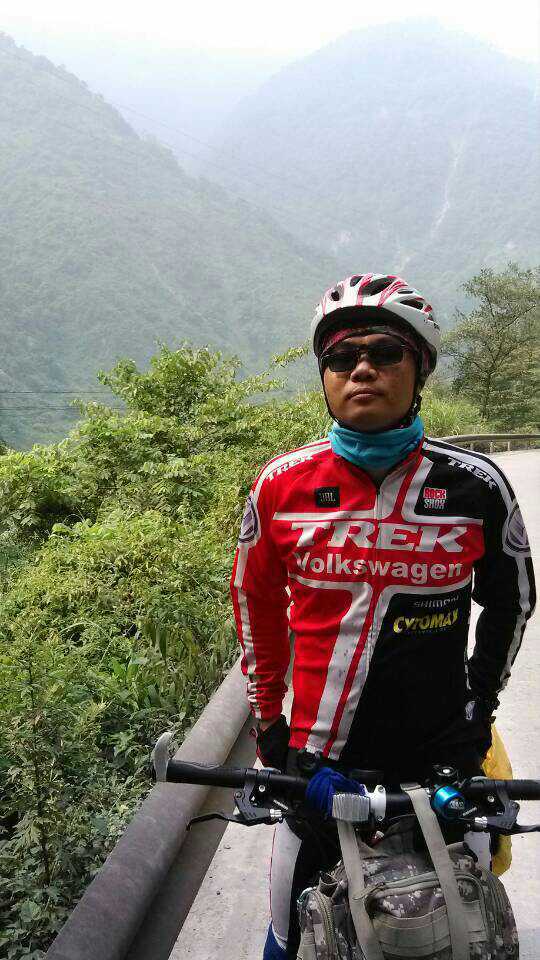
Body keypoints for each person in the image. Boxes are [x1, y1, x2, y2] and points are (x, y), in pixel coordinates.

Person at [229, 273, 536, 960]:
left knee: (468, 932)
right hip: (317, 759)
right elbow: (255, 604)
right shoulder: (280, 485)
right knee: (288, 935)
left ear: (419, 368)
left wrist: (477, 715)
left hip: (442, 757)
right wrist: (271, 730)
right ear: (325, 376)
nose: (361, 368)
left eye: (385, 352)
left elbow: (511, 601)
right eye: (341, 357)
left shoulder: (476, 486)